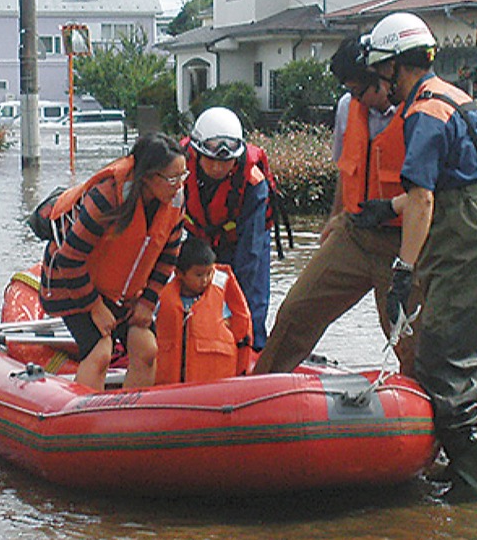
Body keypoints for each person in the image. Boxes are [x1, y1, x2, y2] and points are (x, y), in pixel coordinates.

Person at [353, 12, 477, 502]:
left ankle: (470, 489)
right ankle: (462, 463)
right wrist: (386, 207)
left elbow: (423, 199)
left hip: (465, 241)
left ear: (396, 67)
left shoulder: (423, 111)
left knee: (446, 351)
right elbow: (447, 185)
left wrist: (403, 269)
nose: (381, 84)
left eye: (381, 73)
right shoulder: (453, 96)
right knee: (469, 344)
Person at [253, 35, 417, 378]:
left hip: (403, 243)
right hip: (354, 233)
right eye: (352, 91)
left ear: (384, 77)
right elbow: (348, 168)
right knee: (297, 311)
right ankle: (260, 390)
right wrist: (333, 219)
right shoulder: (348, 107)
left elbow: (431, 195)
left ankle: (429, 410)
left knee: (406, 335)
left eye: (361, 90)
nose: (356, 98)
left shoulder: (419, 112)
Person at [39, 132, 187, 391]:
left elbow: (169, 257)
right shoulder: (108, 196)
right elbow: (69, 258)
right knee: (100, 352)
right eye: (172, 179)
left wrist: (147, 301)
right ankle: (83, 421)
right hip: (71, 286)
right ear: (147, 176)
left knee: (147, 349)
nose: (178, 186)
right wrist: (94, 306)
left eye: (183, 177)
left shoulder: (175, 201)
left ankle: (130, 420)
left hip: (123, 293)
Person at [180, 107, 272, 349]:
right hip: (199, 238)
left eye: (226, 162)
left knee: (251, 302)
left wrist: (234, 296)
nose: (218, 168)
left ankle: (251, 350)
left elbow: (250, 251)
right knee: (188, 291)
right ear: (197, 153)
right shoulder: (177, 170)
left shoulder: (252, 182)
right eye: (211, 160)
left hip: (244, 241)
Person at [154, 235, 253, 385]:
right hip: (169, 387)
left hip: (213, 385)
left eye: (209, 274)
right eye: (199, 275)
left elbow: (239, 330)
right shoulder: (161, 296)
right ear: (179, 274)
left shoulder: (222, 298)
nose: (205, 280)